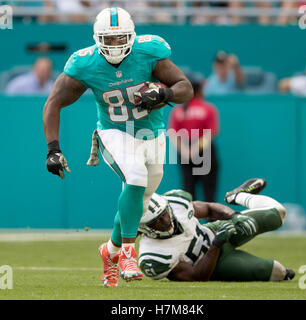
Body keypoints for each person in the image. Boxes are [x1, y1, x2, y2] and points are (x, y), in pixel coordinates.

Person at [43, 7, 193, 287]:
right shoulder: (84, 64)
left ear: (132, 36)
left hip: (152, 132)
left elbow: (186, 87)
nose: (114, 45)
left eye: (120, 38)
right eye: (107, 39)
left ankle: (109, 251)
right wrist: (53, 148)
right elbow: (53, 103)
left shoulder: (149, 52)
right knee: (134, 177)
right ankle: (127, 254)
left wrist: (165, 92)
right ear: (96, 38)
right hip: (113, 131)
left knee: (137, 203)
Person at [138, 178, 295, 282]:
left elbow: (209, 208)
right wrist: (217, 244)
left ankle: (238, 196)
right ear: (146, 228)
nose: (165, 221)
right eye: (157, 222)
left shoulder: (176, 204)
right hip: (212, 264)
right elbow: (196, 276)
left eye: (164, 214)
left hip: (215, 231)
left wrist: (234, 216)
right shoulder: (153, 257)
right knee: (278, 272)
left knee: (276, 214)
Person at [168, 71, 219, 202]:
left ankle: (189, 221)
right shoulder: (208, 108)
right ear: (200, 89)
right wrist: (195, 149)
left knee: (188, 194)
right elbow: (211, 133)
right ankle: (212, 222)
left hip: (186, 152)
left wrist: (186, 151)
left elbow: (173, 134)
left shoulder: (178, 110)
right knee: (209, 194)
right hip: (205, 152)